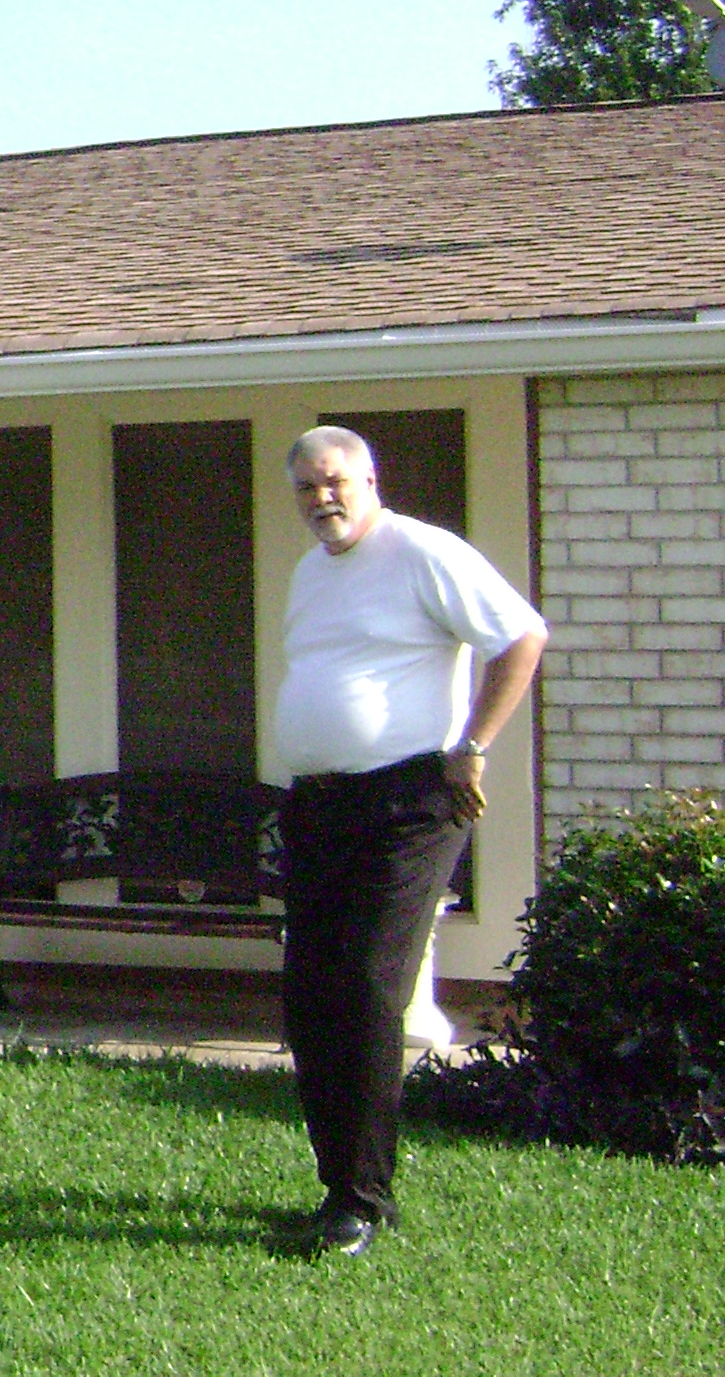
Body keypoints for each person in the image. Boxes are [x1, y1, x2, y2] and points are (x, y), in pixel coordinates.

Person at [274, 425, 545, 1257]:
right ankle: (340, 1186)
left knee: (367, 985)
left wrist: (473, 745)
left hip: (408, 801)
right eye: (307, 487)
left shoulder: (423, 552)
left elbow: (521, 635)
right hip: (319, 805)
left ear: (369, 480)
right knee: (311, 995)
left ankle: (362, 1200)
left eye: (335, 481)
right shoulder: (311, 572)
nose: (322, 498)